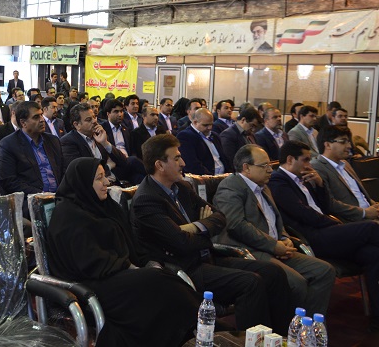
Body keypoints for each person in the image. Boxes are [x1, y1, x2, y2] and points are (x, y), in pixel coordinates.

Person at [131, 135, 293, 334]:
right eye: (177, 158)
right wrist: (205, 230)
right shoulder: (146, 200)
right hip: (185, 269)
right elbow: (181, 243)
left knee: (273, 272)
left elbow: (219, 217)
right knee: (250, 283)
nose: (183, 163)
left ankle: (279, 338)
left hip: (208, 257)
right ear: (159, 165)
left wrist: (193, 227)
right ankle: (252, 341)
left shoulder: (182, 187)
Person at [46, 158, 199, 346]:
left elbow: (130, 244)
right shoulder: (67, 215)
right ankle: (202, 325)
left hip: (116, 274)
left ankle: (195, 330)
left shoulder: (105, 206)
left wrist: (140, 263)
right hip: (91, 284)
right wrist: (128, 266)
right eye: (99, 178)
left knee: (163, 281)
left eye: (105, 176)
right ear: (83, 182)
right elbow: (87, 261)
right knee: (158, 283)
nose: (106, 182)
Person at [269, 140, 379, 331]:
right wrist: (335, 224)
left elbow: (327, 206)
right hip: (313, 237)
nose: (309, 164)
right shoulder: (278, 181)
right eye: (305, 160)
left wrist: (320, 184)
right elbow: (304, 215)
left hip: (327, 230)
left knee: (373, 254)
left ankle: (377, 319)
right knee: (371, 228)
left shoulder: (305, 177)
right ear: (290, 159)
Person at [212, 145, 336, 316]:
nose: (270, 170)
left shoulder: (264, 186)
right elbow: (236, 225)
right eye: (264, 166)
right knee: (296, 283)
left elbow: (275, 219)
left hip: (275, 247)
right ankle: (290, 327)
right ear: (246, 168)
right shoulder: (230, 187)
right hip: (251, 250)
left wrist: (284, 238)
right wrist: (273, 245)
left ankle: (309, 324)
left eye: (270, 165)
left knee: (324, 271)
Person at [0, 101, 63, 216]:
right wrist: (42, 195)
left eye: (41, 115)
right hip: (30, 201)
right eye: (36, 117)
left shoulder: (52, 141)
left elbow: (63, 170)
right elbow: (9, 181)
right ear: (23, 123)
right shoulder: (9, 144)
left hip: (59, 198)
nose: (42, 120)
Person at [311, 125, 378, 217]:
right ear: (328, 145)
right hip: (352, 220)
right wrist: (364, 213)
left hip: (369, 215)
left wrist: (374, 205)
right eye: (343, 142)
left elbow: (359, 194)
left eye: (348, 142)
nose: (349, 146)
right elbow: (330, 204)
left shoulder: (345, 164)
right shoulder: (317, 167)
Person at [176, 108, 232, 175]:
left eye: (211, 124)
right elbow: (192, 164)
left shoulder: (215, 136)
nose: (210, 128)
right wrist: (211, 178)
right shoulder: (185, 136)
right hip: (204, 178)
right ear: (195, 122)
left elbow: (224, 159)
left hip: (222, 176)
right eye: (205, 125)